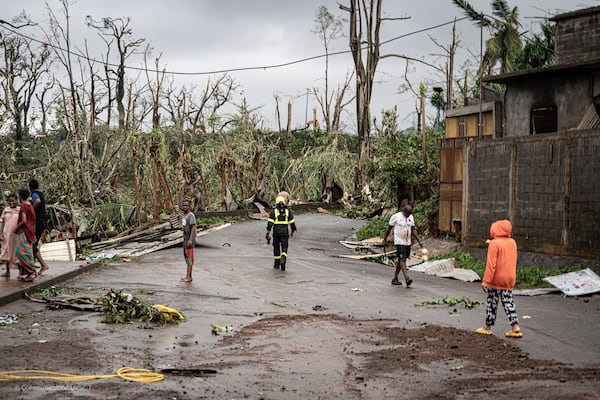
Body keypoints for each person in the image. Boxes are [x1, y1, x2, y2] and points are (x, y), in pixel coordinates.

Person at [476, 219, 523, 338]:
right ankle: (515, 326)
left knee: (492, 303)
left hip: (496, 279)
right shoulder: (513, 242)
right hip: (509, 278)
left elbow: (491, 265)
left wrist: (486, 281)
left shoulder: (494, 244)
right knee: (508, 302)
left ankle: (487, 327)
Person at [382, 204, 422, 287]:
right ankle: (407, 278)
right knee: (402, 259)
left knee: (402, 260)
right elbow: (389, 228)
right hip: (399, 241)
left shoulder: (411, 217)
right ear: (404, 211)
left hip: (407, 242)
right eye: (407, 214)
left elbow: (413, 229)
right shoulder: (396, 217)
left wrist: (419, 240)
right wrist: (385, 239)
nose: (408, 215)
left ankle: (395, 278)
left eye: (409, 214)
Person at [265, 195, 297, 271]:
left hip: (276, 232)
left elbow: (270, 223)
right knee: (284, 246)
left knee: (276, 247)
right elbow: (292, 223)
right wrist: (292, 231)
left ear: (276, 203)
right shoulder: (287, 211)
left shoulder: (274, 211)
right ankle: (283, 256)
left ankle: (277, 263)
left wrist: (268, 232)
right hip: (284, 232)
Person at [14, 188, 37, 282]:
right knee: (28, 253)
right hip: (30, 231)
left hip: (23, 231)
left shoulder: (23, 206)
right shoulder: (30, 205)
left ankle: (32, 271)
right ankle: (27, 273)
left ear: (19, 196)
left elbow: (24, 220)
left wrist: (16, 227)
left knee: (20, 252)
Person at [29, 179, 50, 275]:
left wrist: (31, 210)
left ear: (30, 188)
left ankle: (43, 265)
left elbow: (37, 201)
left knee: (32, 244)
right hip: (43, 221)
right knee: (35, 243)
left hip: (38, 222)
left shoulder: (34, 195)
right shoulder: (41, 193)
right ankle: (33, 263)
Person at [0, 193, 20, 278]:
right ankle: (7, 271)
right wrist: (0, 233)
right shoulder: (6, 210)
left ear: (16, 200)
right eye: (10, 201)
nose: (12, 203)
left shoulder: (20, 209)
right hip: (6, 234)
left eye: (13, 201)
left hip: (16, 235)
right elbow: (2, 222)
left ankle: (20, 272)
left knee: (16, 252)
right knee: (7, 251)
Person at [180, 200, 197, 282]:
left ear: (189, 206)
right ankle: (188, 276)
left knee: (189, 258)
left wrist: (191, 239)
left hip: (189, 239)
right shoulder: (185, 215)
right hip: (185, 238)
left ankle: (188, 277)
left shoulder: (191, 215)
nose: (185, 207)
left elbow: (193, 227)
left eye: (186, 205)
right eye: (183, 206)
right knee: (186, 257)